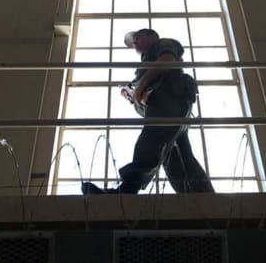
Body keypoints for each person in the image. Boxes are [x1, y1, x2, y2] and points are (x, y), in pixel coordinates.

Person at [81, 28, 214, 194]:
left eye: (137, 38)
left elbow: (167, 60)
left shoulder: (163, 44)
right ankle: (200, 195)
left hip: (169, 99)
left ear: (152, 35)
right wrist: (132, 91)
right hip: (167, 104)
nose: (134, 43)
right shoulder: (145, 64)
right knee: (175, 155)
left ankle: (128, 188)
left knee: (151, 140)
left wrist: (140, 87)